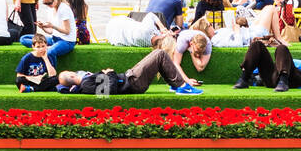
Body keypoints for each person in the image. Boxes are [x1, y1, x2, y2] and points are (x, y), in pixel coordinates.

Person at [57, 48, 201, 96]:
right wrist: (109, 73)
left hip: (130, 77)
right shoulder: (86, 84)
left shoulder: (85, 82)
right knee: (160, 54)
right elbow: (109, 91)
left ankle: (176, 84)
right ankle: (182, 87)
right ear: (71, 75)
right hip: (132, 82)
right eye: (72, 71)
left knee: (158, 56)